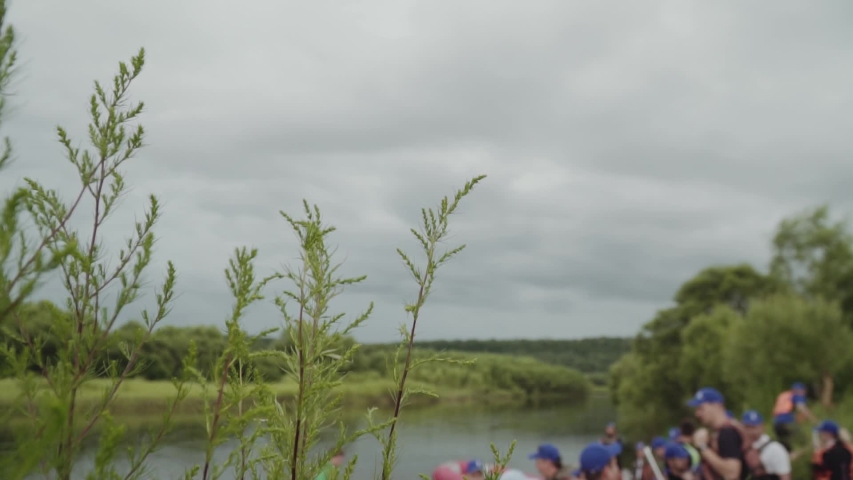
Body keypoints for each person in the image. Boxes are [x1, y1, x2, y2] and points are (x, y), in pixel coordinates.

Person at [688, 387, 747, 479]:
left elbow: (732, 474)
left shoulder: (727, 433)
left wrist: (703, 447)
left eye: (700, 408)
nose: (697, 414)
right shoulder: (719, 432)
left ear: (716, 406)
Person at [740, 410, 791, 480]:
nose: (751, 431)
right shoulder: (739, 446)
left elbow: (785, 476)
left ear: (762, 426)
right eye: (748, 427)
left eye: (754, 427)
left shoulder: (775, 448)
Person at [772, 381, 817, 452]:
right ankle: (805, 457)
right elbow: (801, 408)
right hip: (787, 423)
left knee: (786, 447)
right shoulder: (796, 395)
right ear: (801, 390)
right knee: (805, 442)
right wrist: (814, 420)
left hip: (776, 424)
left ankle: (790, 457)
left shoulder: (784, 395)